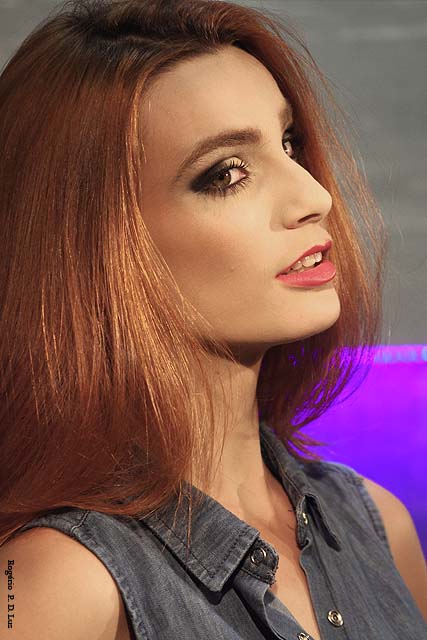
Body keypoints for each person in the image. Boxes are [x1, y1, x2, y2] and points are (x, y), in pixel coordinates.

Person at [0, 0, 426, 638]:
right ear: (93, 246)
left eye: (289, 143)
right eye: (227, 173)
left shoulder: (377, 527)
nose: (314, 196)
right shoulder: (57, 584)